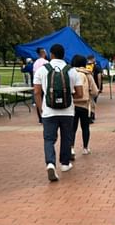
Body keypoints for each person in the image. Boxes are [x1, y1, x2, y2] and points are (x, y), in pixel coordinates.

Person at [33, 43, 83, 181]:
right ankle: (65, 164)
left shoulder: (42, 70)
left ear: (51, 54)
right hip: (67, 111)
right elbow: (80, 93)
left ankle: (50, 163)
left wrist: (40, 108)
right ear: (63, 55)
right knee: (66, 137)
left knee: (49, 139)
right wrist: (67, 96)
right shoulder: (71, 71)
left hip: (48, 111)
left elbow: (37, 92)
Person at [70, 54, 99, 155]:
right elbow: (95, 91)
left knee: (72, 128)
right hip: (85, 105)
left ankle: (71, 148)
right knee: (85, 127)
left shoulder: (70, 73)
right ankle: (85, 148)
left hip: (72, 105)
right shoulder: (88, 74)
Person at [31, 47, 49, 124]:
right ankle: (45, 115)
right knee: (45, 99)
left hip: (37, 83)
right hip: (45, 83)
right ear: (43, 53)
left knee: (38, 99)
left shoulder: (35, 63)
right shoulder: (46, 62)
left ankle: (40, 118)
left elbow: (34, 74)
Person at [86, 54, 103, 122]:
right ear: (93, 59)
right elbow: (99, 77)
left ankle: (89, 115)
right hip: (94, 86)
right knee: (93, 101)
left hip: (86, 86)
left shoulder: (85, 66)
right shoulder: (97, 67)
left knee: (88, 102)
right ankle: (92, 115)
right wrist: (99, 87)